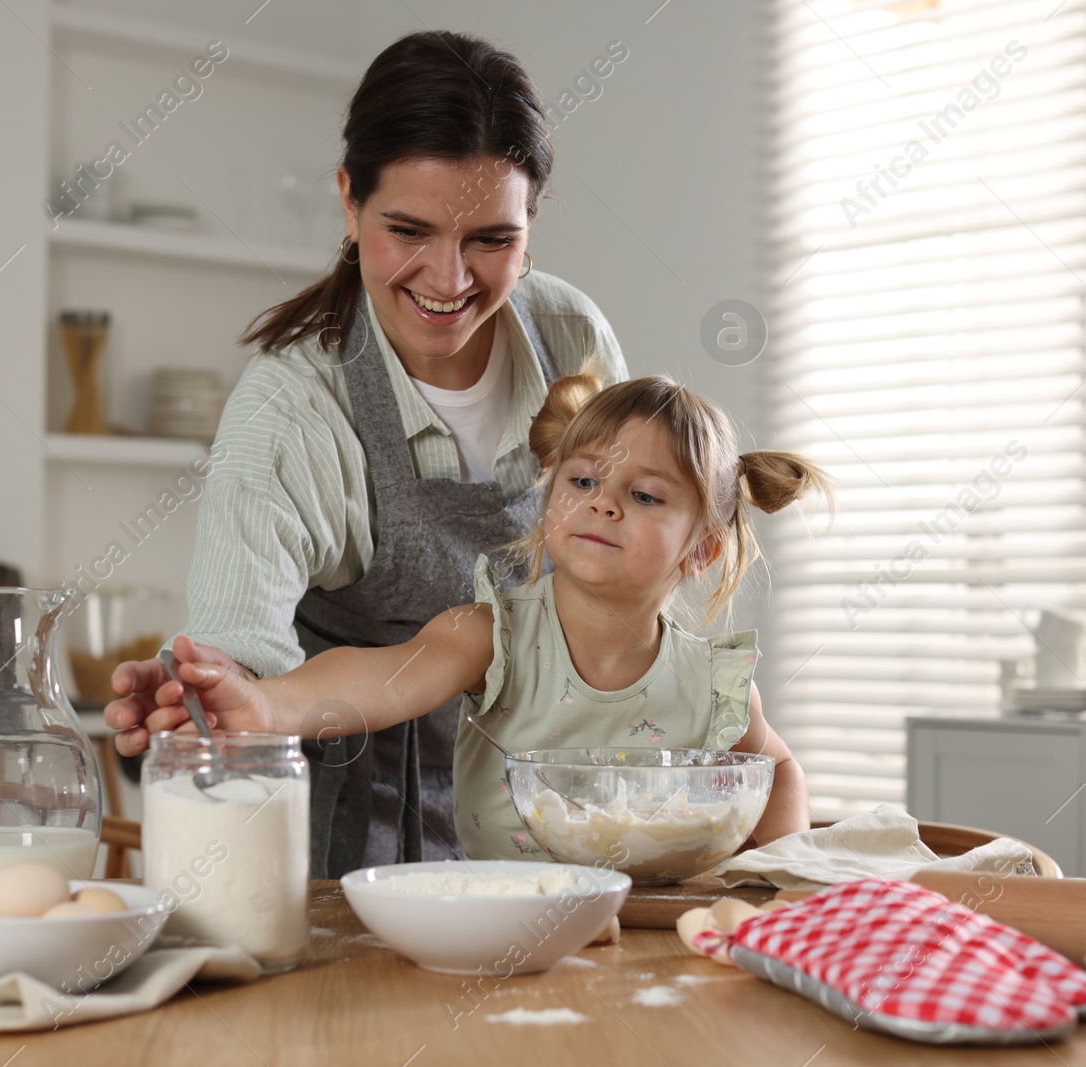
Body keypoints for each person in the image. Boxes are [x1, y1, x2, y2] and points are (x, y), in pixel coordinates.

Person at [103, 31, 628, 878]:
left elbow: (624, 570)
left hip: (538, 826)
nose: (450, 279)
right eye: (409, 230)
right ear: (349, 203)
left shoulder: (572, 337)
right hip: (340, 846)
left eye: (492, 239)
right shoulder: (291, 409)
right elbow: (241, 655)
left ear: (533, 224)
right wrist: (192, 703)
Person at [141, 371, 832, 857]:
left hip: (654, 942)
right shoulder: (493, 634)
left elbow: (781, 772)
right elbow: (379, 679)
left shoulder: (713, 681)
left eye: (645, 495)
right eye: (583, 480)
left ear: (701, 549)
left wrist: (775, 877)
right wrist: (262, 706)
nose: (603, 503)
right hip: (507, 936)